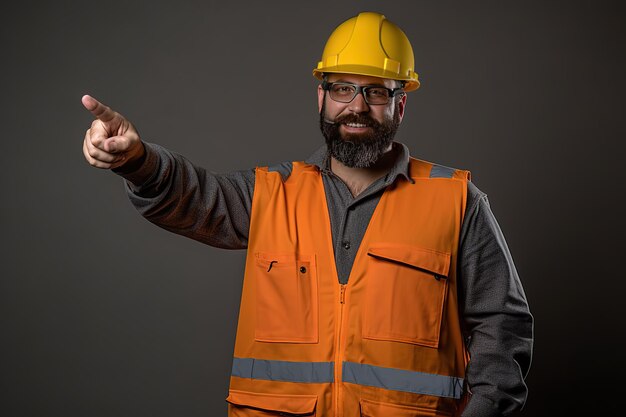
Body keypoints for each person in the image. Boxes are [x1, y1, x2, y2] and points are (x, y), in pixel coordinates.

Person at [81, 11, 532, 417]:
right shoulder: (271, 193)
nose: (356, 106)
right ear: (321, 97)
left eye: (375, 91)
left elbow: (502, 326)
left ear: (401, 102)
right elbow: (194, 196)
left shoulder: (456, 200)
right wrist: (136, 159)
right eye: (342, 88)